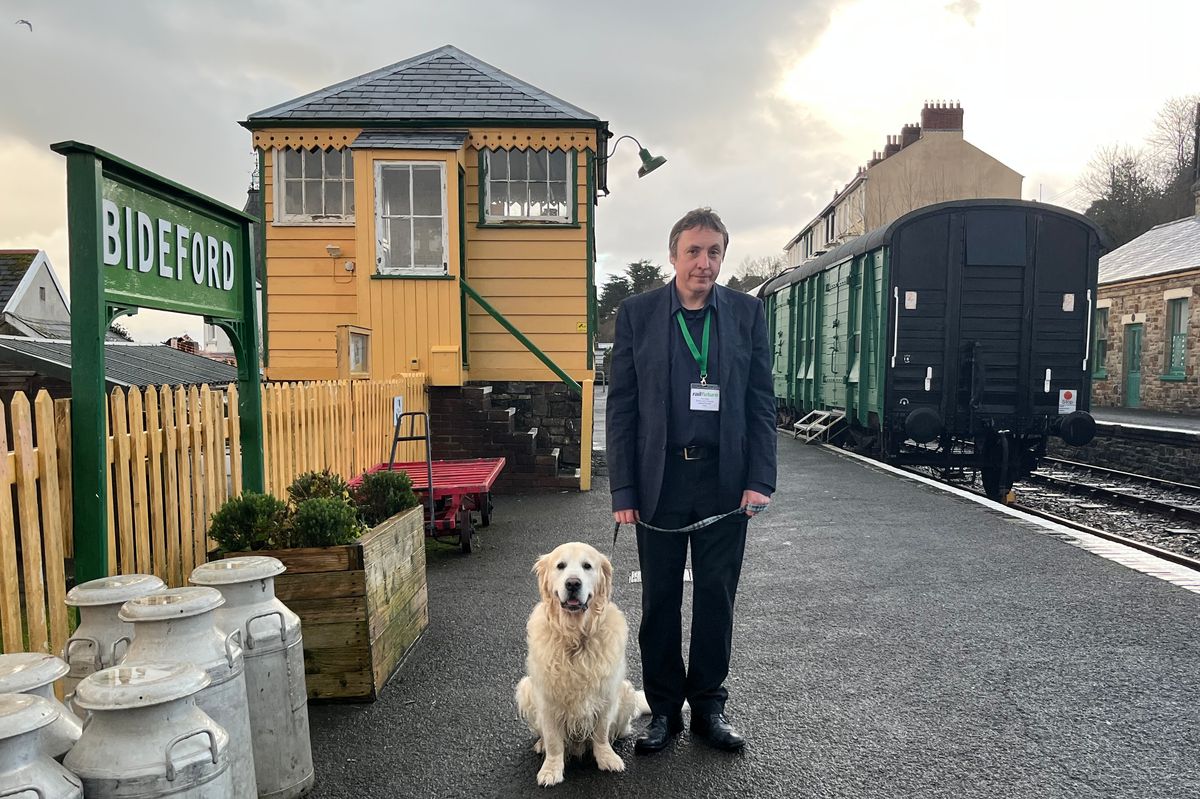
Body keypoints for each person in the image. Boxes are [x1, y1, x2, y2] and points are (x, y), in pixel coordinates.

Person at [606, 207, 777, 754]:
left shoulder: (747, 313)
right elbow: (622, 406)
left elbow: (761, 402)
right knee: (659, 600)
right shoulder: (638, 314)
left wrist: (760, 479)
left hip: (724, 481)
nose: (704, 262)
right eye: (694, 251)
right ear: (673, 255)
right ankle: (663, 711)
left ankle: (707, 707)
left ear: (723, 256)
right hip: (660, 481)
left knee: (716, 599)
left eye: (714, 252)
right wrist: (623, 490)